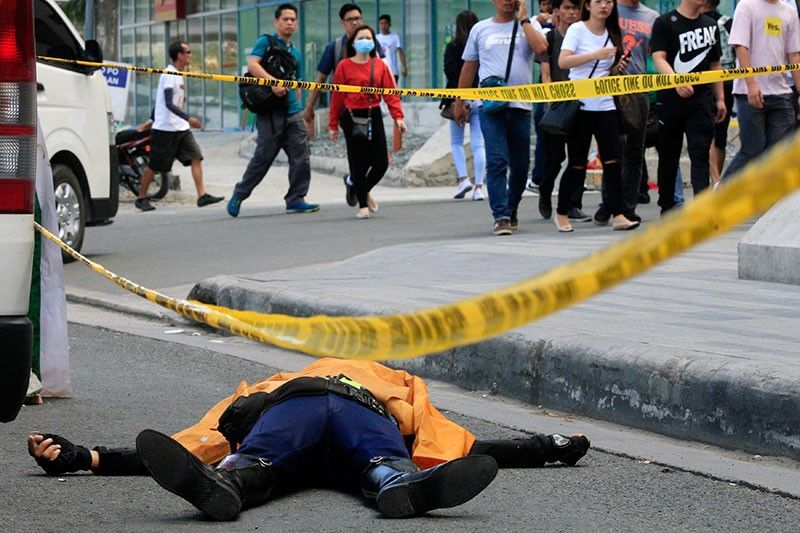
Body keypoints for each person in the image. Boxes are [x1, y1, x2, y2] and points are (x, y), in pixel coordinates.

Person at [26, 358, 591, 521]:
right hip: (356, 418)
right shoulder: (388, 381)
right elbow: (463, 446)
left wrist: (87, 457)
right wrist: (549, 447)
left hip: (293, 416)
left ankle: (232, 487)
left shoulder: (274, 385)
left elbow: (201, 442)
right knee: (382, 461)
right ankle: (400, 485)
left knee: (254, 463)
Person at [455, 0, 548, 236]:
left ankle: (511, 207)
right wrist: (460, 101)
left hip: (521, 105)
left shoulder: (529, 25)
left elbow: (541, 49)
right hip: (491, 106)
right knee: (497, 160)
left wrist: (525, 20)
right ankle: (501, 216)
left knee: (520, 166)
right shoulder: (481, 29)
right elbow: (469, 67)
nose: (508, 1)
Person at [226, 4, 319, 217]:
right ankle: (240, 193)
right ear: (276, 21)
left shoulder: (295, 52)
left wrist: (302, 110)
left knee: (301, 156)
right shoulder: (265, 42)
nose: (289, 23)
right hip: (269, 113)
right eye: (285, 19)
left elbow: (297, 83)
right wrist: (273, 82)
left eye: (293, 19)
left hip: (292, 112)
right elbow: (252, 65)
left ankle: (296, 198)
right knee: (263, 157)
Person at [556, 0, 639, 233]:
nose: (604, 6)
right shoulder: (577, 30)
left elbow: (607, 71)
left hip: (605, 104)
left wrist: (618, 66)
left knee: (613, 162)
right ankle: (562, 212)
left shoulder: (613, 33)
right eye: (598, 2)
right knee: (577, 163)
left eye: (608, 2)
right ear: (588, 6)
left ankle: (619, 213)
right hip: (580, 105)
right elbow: (564, 61)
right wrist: (595, 55)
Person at [650, 0, 726, 215]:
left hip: (701, 101)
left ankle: (702, 208)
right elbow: (658, 56)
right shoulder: (664, 22)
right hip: (671, 101)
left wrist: (719, 98)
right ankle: (667, 205)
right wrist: (675, 81)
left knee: (700, 153)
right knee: (669, 155)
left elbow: (715, 63)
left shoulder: (710, 24)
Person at [135, 42, 223, 212]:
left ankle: (201, 195)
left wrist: (152, 119)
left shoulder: (179, 74)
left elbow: (162, 102)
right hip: (166, 129)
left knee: (196, 157)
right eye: (188, 52)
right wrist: (189, 118)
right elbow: (167, 103)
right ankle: (141, 197)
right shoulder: (169, 74)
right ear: (179, 55)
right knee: (155, 165)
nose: (190, 55)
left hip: (181, 129)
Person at [329, 26, 407, 219]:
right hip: (351, 117)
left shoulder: (380, 65)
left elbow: (391, 93)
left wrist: (398, 117)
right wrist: (332, 124)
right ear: (353, 42)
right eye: (361, 37)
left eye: (368, 38)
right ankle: (363, 205)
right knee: (358, 161)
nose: (365, 41)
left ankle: (355, 186)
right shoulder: (344, 66)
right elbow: (337, 97)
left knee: (381, 162)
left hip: (374, 115)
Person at [592, 0, 658, 226]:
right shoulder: (609, 9)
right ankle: (608, 203)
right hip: (609, 84)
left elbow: (655, 53)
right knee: (613, 149)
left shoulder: (651, 17)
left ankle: (628, 207)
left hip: (638, 87)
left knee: (634, 151)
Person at [721, 0, 800, 182]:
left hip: (781, 92)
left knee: (778, 153)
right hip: (750, 92)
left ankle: (764, 203)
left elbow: (794, 55)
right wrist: (751, 84)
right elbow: (741, 46)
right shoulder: (746, 5)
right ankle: (721, 197)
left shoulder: (788, 11)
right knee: (752, 150)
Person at [303, 3, 382, 141]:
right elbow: (320, 78)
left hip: (371, 106)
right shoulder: (335, 48)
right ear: (342, 23)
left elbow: (384, 71)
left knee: (377, 150)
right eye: (350, 19)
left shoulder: (372, 44)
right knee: (358, 148)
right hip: (347, 110)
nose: (355, 22)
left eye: (358, 18)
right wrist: (309, 108)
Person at [537, 0, 582, 220]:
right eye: (567, 8)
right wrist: (549, 99)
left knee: (577, 158)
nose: (572, 13)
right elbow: (546, 73)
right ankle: (545, 193)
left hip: (581, 104)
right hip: (557, 105)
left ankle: (573, 203)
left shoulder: (584, 38)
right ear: (556, 12)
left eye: (575, 8)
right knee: (554, 159)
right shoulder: (551, 38)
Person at [443, 10, 486, 202]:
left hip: (457, 98)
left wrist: (458, 98)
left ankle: (463, 179)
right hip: (479, 97)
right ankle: (479, 187)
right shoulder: (481, 45)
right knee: (479, 144)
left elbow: (450, 71)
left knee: (456, 141)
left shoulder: (453, 46)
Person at [701, 0, 734, 189]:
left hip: (714, 85)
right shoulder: (727, 22)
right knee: (716, 136)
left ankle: (715, 181)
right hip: (723, 84)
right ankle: (715, 180)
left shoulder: (720, 22)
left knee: (715, 135)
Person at [376, 14, 407, 84]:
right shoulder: (376, 38)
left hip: (392, 70)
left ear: (389, 24)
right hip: (379, 70)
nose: (383, 26)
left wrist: (404, 67)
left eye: (385, 23)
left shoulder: (395, 37)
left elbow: (400, 52)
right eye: (381, 23)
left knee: (392, 93)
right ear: (379, 25)